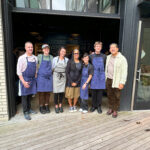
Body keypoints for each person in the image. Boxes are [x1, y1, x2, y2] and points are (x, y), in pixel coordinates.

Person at [105, 43, 128, 118]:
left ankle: (115, 110)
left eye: (114, 47)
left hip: (117, 80)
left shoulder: (122, 59)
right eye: (111, 47)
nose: (112, 49)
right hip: (109, 79)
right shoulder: (108, 57)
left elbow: (124, 72)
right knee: (109, 95)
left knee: (116, 96)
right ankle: (111, 108)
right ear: (109, 49)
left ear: (117, 49)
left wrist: (122, 82)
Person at [17, 42, 37, 120]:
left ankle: (29, 109)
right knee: (24, 96)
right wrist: (23, 82)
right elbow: (19, 72)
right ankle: (25, 112)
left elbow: (36, 70)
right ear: (25, 48)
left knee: (29, 96)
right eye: (29, 47)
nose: (30, 48)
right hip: (24, 79)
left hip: (32, 79)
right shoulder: (21, 58)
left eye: (31, 47)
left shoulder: (35, 58)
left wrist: (35, 78)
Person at [90, 41, 106, 114]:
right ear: (94, 47)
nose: (98, 47)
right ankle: (93, 106)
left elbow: (105, 66)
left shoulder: (104, 56)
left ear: (101, 48)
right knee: (93, 92)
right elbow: (88, 66)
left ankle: (99, 106)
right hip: (94, 76)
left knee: (100, 93)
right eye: (97, 46)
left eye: (99, 46)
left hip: (101, 76)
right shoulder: (91, 56)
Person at [37, 44, 53, 114]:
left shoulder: (51, 57)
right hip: (41, 77)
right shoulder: (39, 56)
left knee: (48, 93)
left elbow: (53, 67)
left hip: (49, 77)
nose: (46, 50)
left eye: (47, 49)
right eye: (45, 49)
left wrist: (49, 73)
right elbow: (36, 66)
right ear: (42, 50)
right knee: (41, 93)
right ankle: (41, 106)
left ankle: (46, 105)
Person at [52, 47, 69, 113]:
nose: (63, 53)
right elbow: (52, 68)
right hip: (56, 76)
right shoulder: (55, 59)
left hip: (63, 76)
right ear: (59, 52)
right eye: (62, 51)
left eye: (64, 52)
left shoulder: (67, 60)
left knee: (61, 92)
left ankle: (60, 105)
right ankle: (56, 106)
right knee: (56, 92)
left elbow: (67, 69)